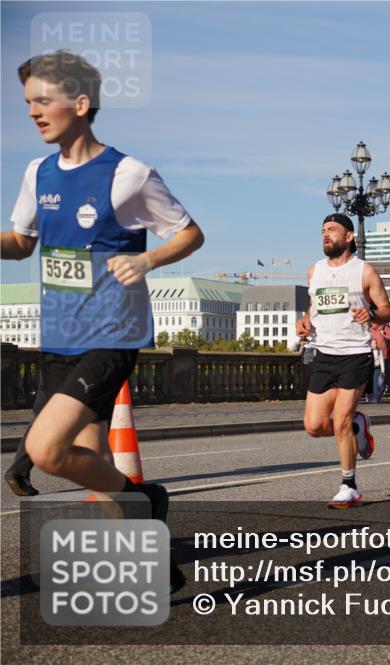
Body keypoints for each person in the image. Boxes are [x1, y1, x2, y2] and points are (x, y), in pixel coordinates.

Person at [1, 51, 205, 592]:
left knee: (47, 451)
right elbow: (21, 243)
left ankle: (146, 499)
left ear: (82, 104)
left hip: (111, 335)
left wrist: (146, 259)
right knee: (88, 457)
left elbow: (189, 234)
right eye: (28, 103)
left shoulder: (129, 174)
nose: (33, 112)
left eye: (43, 101)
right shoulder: (36, 172)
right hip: (58, 335)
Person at [296, 213, 390, 508]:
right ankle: (356, 427)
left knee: (339, 420)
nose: (326, 234)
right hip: (324, 354)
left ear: (349, 236)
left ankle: (348, 485)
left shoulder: (364, 271)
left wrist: (373, 315)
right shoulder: (315, 271)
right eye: (323, 230)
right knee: (313, 426)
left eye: (333, 230)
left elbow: (387, 311)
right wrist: (304, 321)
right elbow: (313, 307)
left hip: (355, 354)